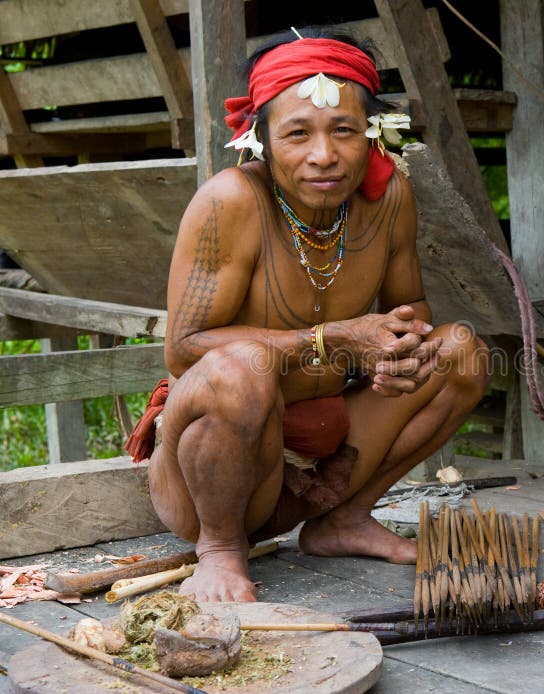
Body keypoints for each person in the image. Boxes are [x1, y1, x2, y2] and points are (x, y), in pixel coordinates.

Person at [127, 26, 490, 603]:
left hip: (333, 455)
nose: (324, 155)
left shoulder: (390, 195)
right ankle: (221, 553)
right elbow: (186, 346)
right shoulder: (231, 201)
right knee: (237, 368)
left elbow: (411, 305)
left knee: (461, 350)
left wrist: (399, 347)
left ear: (370, 135)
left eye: (344, 131)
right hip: (222, 478)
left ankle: (344, 520)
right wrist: (339, 337)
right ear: (262, 140)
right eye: (297, 134)